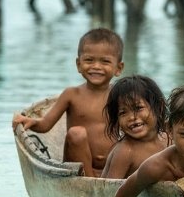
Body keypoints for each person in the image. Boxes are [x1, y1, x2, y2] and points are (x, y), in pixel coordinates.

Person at [12, 27, 124, 177]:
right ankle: (90, 182)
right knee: (76, 134)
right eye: (89, 60)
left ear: (118, 68)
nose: (96, 66)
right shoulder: (71, 95)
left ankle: (111, 182)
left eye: (105, 62)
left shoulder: (121, 95)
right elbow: (45, 125)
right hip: (79, 169)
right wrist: (29, 121)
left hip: (113, 169)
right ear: (78, 65)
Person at [100, 75, 169, 179]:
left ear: (159, 108)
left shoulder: (168, 140)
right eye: (123, 112)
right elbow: (109, 190)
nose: (132, 117)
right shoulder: (125, 151)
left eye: (138, 108)